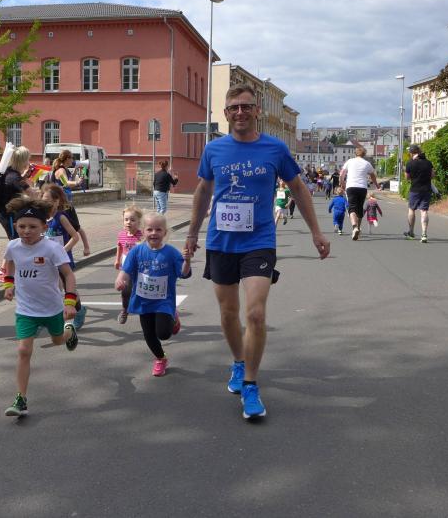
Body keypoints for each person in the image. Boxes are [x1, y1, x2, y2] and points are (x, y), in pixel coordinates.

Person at [184, 84, 330, 420]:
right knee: (228, 313)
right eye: (234, 107)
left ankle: (250, 384)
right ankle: (239, 361)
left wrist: (316, 232)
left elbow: (298, 188)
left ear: (257, 111)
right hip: (221, 242)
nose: (240, 113)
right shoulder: (214, 149)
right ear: (225, 113)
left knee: (255, 314)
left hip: (259, 241)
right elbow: (203, 191)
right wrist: (191, 235)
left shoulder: (274, 149)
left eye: (246, 106)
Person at [1, 197, 80, 417]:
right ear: (15, 226)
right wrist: (9, 285)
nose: (26, 231)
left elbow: (68, 275)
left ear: (44, 227)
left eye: (32, 227)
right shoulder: (13, 246)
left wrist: (70, 302)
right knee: (23, 351)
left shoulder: (52, 248)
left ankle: (68, 331)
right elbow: (9, 265)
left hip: (52, 308)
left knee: (58, 340)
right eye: (21, 226)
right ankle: (21, 399)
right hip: (25, 310)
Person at [115, 212, 191, 376]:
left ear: (165, 232)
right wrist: (120, 280)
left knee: (163, 334)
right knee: (149, 334)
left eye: (158, 229)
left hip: (164, 301)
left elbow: (184, 273)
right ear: (143, 231)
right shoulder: (137, 251)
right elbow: (126, 270)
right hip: (143, 300)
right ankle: (160, 358)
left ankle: (172, 316)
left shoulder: (171, 253)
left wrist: (187, 261)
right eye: (149, 229)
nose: (154, 233)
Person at [41, 184, 88, 330]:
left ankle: (79, 310)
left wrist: (61, 251)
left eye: (48, 201)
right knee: (53, 288)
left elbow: (75, 237)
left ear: (57, 201)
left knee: (68, 289)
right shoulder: (43, 218)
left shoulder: (61, 217)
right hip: (48, 260)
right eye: (43, 200)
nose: (45, 203)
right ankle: (44, 318)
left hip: (63, 259)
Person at [0, 147, 38, 283]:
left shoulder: (7, 172)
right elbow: (31, 193)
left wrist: (25, 176)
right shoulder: (14, 177)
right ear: (22, 160)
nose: (28, 162)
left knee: (16, 242)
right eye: (27, 159)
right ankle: (3, 272)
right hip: (10, 214)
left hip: (4, 213)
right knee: (15, 243)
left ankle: (11, 271)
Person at [49, 150, 91, 258]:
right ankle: (85, 248)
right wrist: (77, 182)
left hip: (65, 203)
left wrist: (76, 172)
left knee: (70, 229)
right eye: (72, 158)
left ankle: (68, 252)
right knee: (76, 228)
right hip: (64, 205)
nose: (73, 160)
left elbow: (68, 181)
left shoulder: (65, 170)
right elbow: (66, 183)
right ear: (67, 159)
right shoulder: (61, 170)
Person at [339, 146, 379, 241]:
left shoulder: (349, 161)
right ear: (364, 154)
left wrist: (342, 184)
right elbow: (373, 176)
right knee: (360, 208)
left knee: (352, 208)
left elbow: (341, 174)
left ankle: (355, 227)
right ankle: (359, 228)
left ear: (355, 153)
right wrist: (377, 185)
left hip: (351, 187)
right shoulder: (367, 163)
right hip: (362, 188)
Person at [114, 205, 144, 324]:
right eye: (126, 219)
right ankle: (124, 310)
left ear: (139, 222)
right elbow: (119, 246)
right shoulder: (121, 235)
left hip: (141, 269)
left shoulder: (142, 235)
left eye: (132, 220)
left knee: (142, 292)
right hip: (126, 269)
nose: (128, 222)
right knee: (125, 291)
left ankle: (147, 312)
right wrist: (117, 260)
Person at [404, 144, 435, 243]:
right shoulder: (428, 163)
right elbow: (432, 175)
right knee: (424, 211)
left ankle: (411, 232)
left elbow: (407, 177)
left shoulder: (410, 163)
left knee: (411, 210)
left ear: (411, 153)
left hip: (415, 189)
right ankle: (424, 234)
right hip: (426, 189)